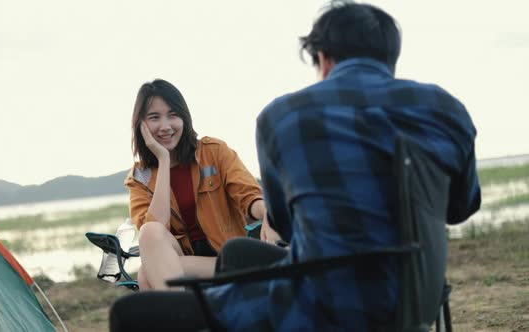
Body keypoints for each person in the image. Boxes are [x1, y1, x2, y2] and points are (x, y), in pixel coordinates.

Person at [109, 1, 481, 330]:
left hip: (319, 305)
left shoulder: (283, 117)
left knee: (131, 314)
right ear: (390, 58)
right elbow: (461, 207)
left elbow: (283, 221)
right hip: (417, 296)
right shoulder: (446, 111)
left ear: (324, 58)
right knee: (238, 254)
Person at [123, 78, 267, 290]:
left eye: (173, 115)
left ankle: (185, 317)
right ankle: (188, 315)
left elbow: (248, 196)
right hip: (182, 264)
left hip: (226, 259)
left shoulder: (214, 152)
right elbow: (154, 233)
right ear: (141, 124)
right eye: (154, 117)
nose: (165, 126)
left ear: (184, 117)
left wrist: (270, 213)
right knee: (150, 232)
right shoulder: (140, 177)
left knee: (147, 274)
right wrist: (163, 160)